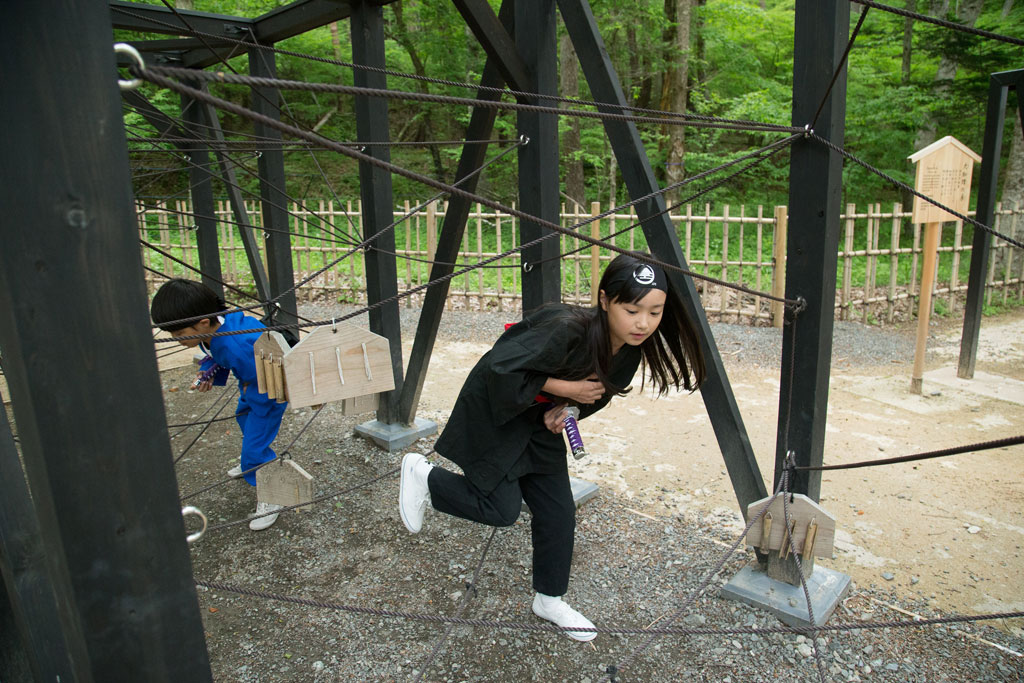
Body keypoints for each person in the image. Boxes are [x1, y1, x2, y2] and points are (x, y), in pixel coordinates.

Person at [399, 252, 706, 641]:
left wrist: (567, 410)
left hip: (538, 421)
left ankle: (549, 599)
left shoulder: (630, 350)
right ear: (605, 299)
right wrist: (565, 389)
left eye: (655, 312)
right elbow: (500, 367)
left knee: (558, 511)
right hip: (500, 408)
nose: (643, 323)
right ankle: (423, 475)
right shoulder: (565, 328)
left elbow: (597, 395)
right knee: (500, 509)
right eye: (632, 310)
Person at [151, 279, 287, 531]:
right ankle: (252, 458)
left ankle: (273, 494)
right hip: (252, 391)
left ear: (203, 323)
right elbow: (215, 356)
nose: (176, 339)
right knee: (243, 418)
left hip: (268, 394)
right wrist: (208, 371)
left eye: (180, 334)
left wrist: (247, 385)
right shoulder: (218, 327)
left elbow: (268, 373)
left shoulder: (233, 344)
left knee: (254, 449)